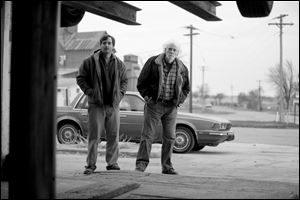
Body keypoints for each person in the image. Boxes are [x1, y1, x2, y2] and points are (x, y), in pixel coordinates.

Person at [135, 41, 190, 175]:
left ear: (177, 53)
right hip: (154, 105)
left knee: (170, 137)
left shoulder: (182, 67)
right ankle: (141, 165)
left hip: (171, 107)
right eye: (169, 49)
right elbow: (141, 82)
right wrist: (148, 98)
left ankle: (167, 167)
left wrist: (179, 101)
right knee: (147, 136)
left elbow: (186, 88)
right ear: (165, 50)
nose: (171, 52)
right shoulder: (153, 62)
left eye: (174, 50)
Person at [76, 34, 128, 175]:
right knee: (94, 136)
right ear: (100, 45)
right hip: (96, 105)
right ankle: (90, 165)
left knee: (113, 135)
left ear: (113, 46)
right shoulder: (89, 62)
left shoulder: (119, 63)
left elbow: (124, 82)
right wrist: (90, 92)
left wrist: (119, 96)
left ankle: (112, 164)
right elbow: (81, 78)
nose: (106, 45)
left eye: (109, 43)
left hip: (113, 105)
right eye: (104, 42)